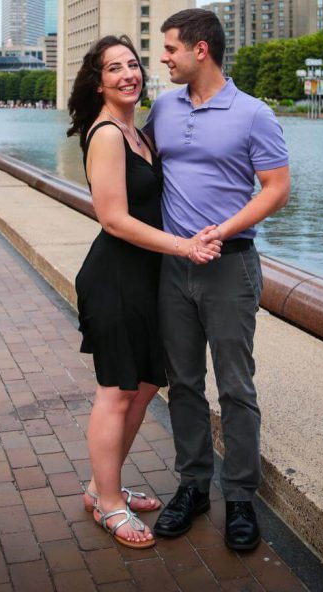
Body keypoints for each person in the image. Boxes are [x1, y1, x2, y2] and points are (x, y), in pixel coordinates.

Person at [68, 34, 222, 550]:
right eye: (115, 69)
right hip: (115, 277)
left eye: (133, 64)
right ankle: (108, 505)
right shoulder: (108, 133)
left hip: (145, 278)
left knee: (147, 381)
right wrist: (184, 247)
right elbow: (113, 219)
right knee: (117, 390)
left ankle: (101, 484)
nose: (129, 74)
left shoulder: (139, 131)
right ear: (99, 82)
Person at [144, 9, 290, 552]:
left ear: (200, 49)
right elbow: (140, 163)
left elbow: (276, 188)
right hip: (174, 266)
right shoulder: (163, 106)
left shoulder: (253, 113)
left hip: (230, 265)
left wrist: (221, 230)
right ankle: (193, 486)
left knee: (235, 387)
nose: (164, 58)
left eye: (170, 49)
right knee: (182, 382)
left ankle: (241, 497)